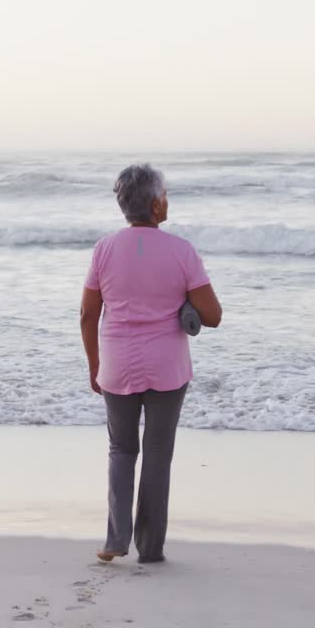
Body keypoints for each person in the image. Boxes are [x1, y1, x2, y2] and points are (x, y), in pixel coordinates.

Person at [79, 163, 222, 564]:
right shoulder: (181, 252)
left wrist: (94, 365)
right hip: (167, 366)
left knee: (121, 449)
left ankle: (115, 540)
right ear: (156, 203)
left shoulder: (104, 249)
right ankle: (151, 548)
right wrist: (184, 304)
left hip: (117, 363)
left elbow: (89, 314)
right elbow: (213, 315)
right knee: (157, 452)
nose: (167, 200)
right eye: (166, 194)